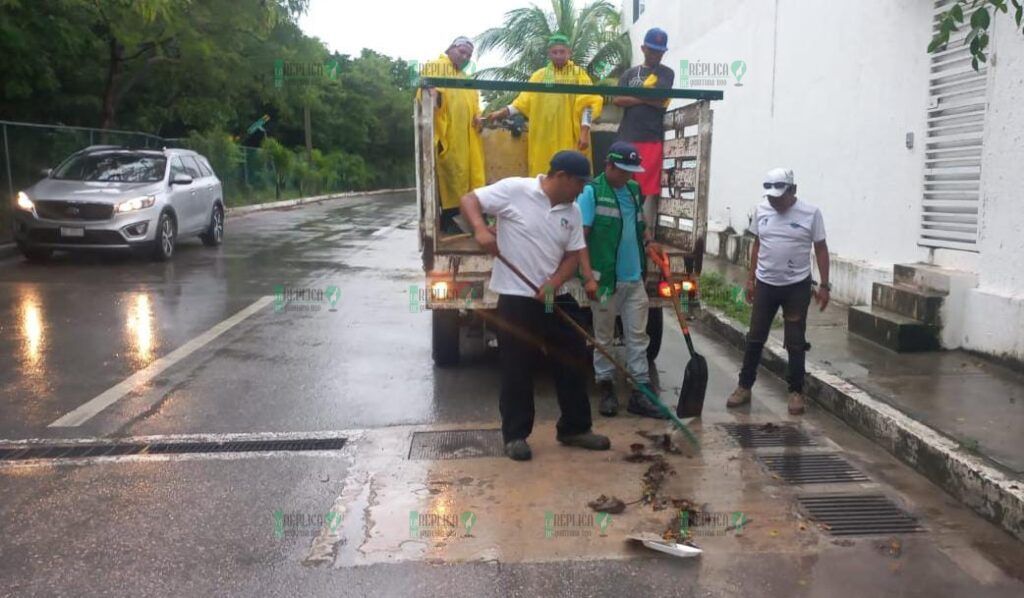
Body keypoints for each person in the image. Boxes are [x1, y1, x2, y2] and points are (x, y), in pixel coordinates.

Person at [459, 151, 611, 461]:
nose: (583, 190)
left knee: (572, 356)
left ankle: (574, 428)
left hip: (553, 295)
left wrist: (555, 283)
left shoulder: (572, 210)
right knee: (517, 366)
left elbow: (573, 255)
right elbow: (470, 200)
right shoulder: (516, 190)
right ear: (562, 177)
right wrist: (480, 229)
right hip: (516, 296)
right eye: (580, 183)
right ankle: (515, 436)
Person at [725, 168, 831, 415]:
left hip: (797, 286)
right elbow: (758, 244)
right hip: (766, 285)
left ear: (793, 190)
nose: (774, 201)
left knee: (795, 341)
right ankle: (744, 386)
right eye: (771, 197)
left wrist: (824, 285)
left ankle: (795, 391)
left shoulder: (811, 213)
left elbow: (821, 248)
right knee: (755, 337)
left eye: (779, 197)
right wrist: (751, 280)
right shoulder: (761, 210)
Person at [576, 142, 666, 419]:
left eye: (632, 171)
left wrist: (649, 242)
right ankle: (606, 386)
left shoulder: (634, 190)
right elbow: (580, 239)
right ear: (609, 166)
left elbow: (640, 224)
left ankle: (640, 391)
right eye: (624, 171)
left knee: (637, 337)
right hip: (604, 281)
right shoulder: (591, 193)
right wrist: (588, 277)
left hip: (633, 277)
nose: (629, 176)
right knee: (603, 336)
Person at [485, 34, 603, 177]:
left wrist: (584, 132)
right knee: (542, 177)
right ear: (549, 54)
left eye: (562, 52)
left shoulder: (578, 75)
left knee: (569, 176)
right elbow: (522, 103)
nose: (558, 55)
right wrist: (499, 113)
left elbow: (588, 105)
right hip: (542, 141)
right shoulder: (539, 76)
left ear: (569, 53)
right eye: (554, 52)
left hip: (570, 138)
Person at [419, 36, 486, 234]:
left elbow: (476, 108)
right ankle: (450, 225)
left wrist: (479, 118)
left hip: (467, 144)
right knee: (451, 182)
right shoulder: (437, 66)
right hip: (446, 140)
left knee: (465, 181)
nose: (464, 57)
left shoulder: (466, 80)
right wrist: (433, 94)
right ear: (450, 49)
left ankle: (464, 225)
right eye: (461, 51)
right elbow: (429, 93)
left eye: (469, 55)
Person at [613, 27, 674, 224]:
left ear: (664, 52)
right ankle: (622, 219)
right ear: (643, 49)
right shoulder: (630, 73)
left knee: (645, 186)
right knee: (620, 181)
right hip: (626, 136)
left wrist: (634, 96)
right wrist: (648, 100)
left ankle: (634, 220)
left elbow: (660, 97)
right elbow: (617, 100)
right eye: (652, 49)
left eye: (659, 51)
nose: (656, 54)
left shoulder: (667, 73)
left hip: (651, 137)